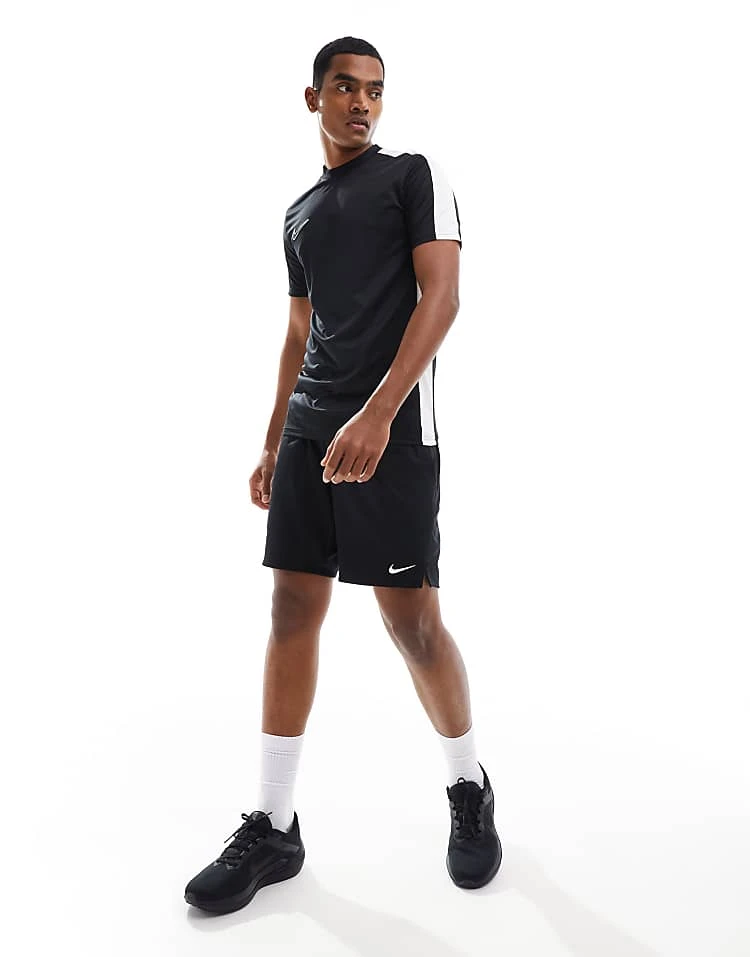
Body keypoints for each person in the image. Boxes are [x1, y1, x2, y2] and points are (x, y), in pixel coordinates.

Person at [184, 36, 502, 915]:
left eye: (375, 90)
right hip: (308, 436)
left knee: (412, 623)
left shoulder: (413, 176)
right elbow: (300, 331)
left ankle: (468, 784)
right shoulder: (297, 212)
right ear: (313, 97)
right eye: (346, 87)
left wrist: (378, 412)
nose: (362, 102)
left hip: (391, 434)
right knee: (291, 608)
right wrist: (271, 440)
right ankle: (273, 824)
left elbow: (443, 296)